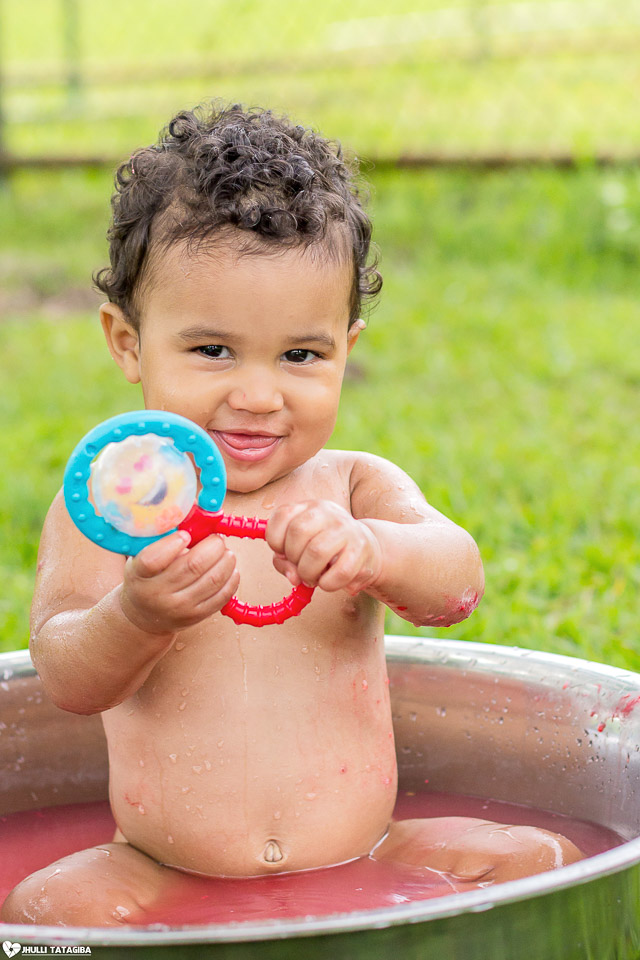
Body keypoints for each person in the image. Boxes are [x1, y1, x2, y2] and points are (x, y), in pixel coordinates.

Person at [1, 102, 583, 926]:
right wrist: (135, 613)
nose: (257, 395)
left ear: (347, 347)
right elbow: (62, 674)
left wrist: (373, 551)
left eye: (301, 356)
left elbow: (457, 581)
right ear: (128, 343)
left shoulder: (352, 486)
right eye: (212, 350)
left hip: (366, 854)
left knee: (541, 862)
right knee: (45, 913)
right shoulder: (114, 504)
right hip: (161, 869)